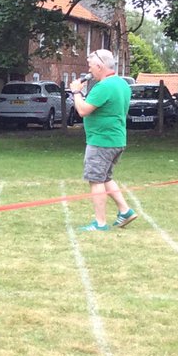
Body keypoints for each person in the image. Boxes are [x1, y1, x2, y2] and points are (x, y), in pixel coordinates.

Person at [69, 49, 137, 231]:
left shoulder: (104, 86)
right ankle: (125, 211)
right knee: (106, 177)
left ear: (100, 66)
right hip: (116, 140)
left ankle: (100, 223)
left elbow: (83, 110)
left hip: (101, 141)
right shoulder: (122, 84)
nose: (89, 71)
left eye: (91, 66)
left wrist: (76, 92)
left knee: (96, 180)